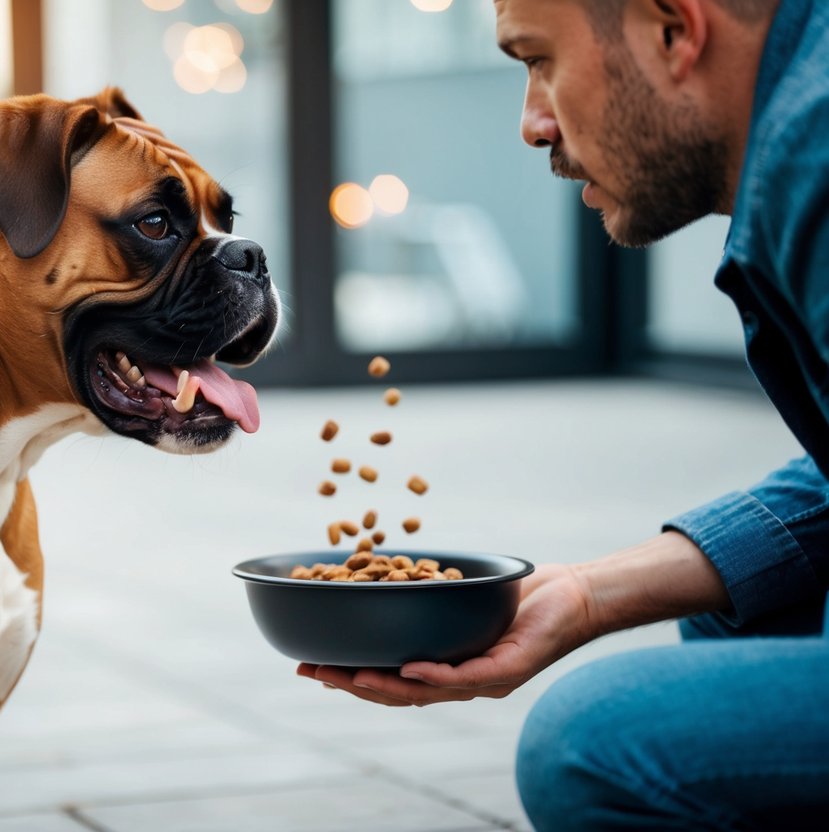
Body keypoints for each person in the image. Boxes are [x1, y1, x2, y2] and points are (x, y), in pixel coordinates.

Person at [296, 0, 829, 828]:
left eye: (538, 59)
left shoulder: (816, 152)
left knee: (595, 743)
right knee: (736, 620)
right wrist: (584, 594)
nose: (531, 124)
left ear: (672, 30)